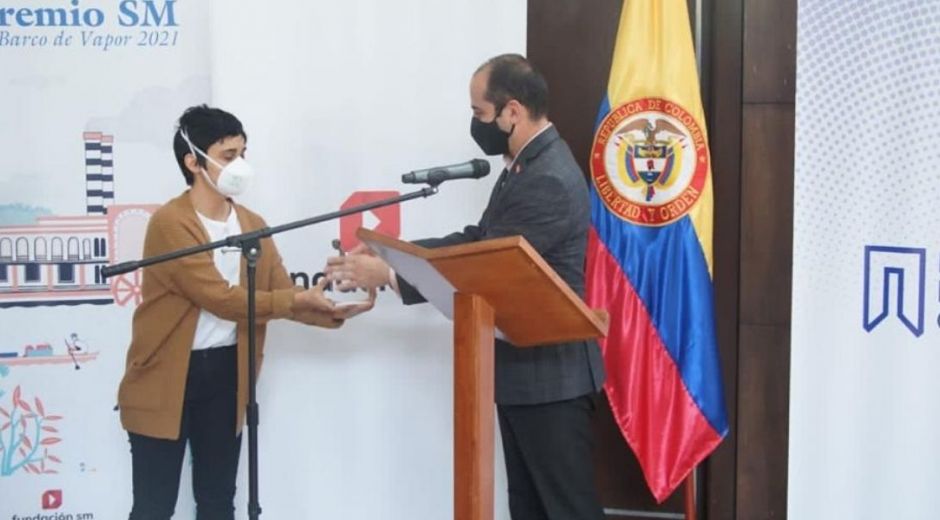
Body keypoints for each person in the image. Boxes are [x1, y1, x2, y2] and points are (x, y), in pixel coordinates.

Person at [326, 54, 605, 519]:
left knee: (567, 510)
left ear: (511, 111)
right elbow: (480, 239)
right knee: (530, 509)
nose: (475, 123)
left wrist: (392, 276)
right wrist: (394, 251)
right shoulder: (525, 164)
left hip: (550, 377)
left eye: (479, 113)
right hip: (524, 375)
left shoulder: (548, 177)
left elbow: (487, 265)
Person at [118, 105, 371, 519]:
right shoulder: (170, 223)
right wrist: (295, 300)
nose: (241, 165)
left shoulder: (252, 224)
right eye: (229, 155)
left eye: (243, 153)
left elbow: (281, 294)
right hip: (165, 376)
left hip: (226, 375)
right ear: (192, 162)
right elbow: (223, 299)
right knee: (153, 507)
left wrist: (334, 311)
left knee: (218, 502)